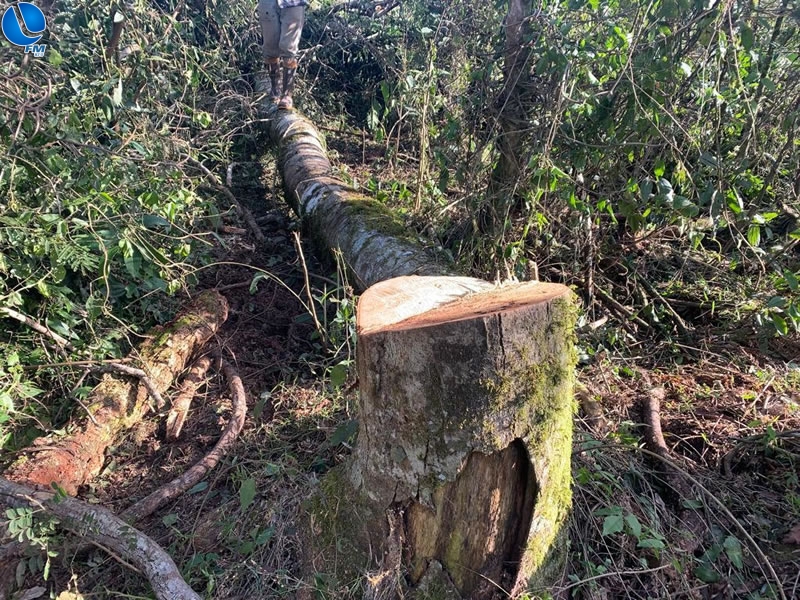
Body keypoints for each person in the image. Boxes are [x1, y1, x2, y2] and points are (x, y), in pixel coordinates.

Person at [258, 0, 307, 110]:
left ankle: (287, 95)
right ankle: (275, 89)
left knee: (288, 47)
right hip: (268, 3)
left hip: (293, 3)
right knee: (269, 46)